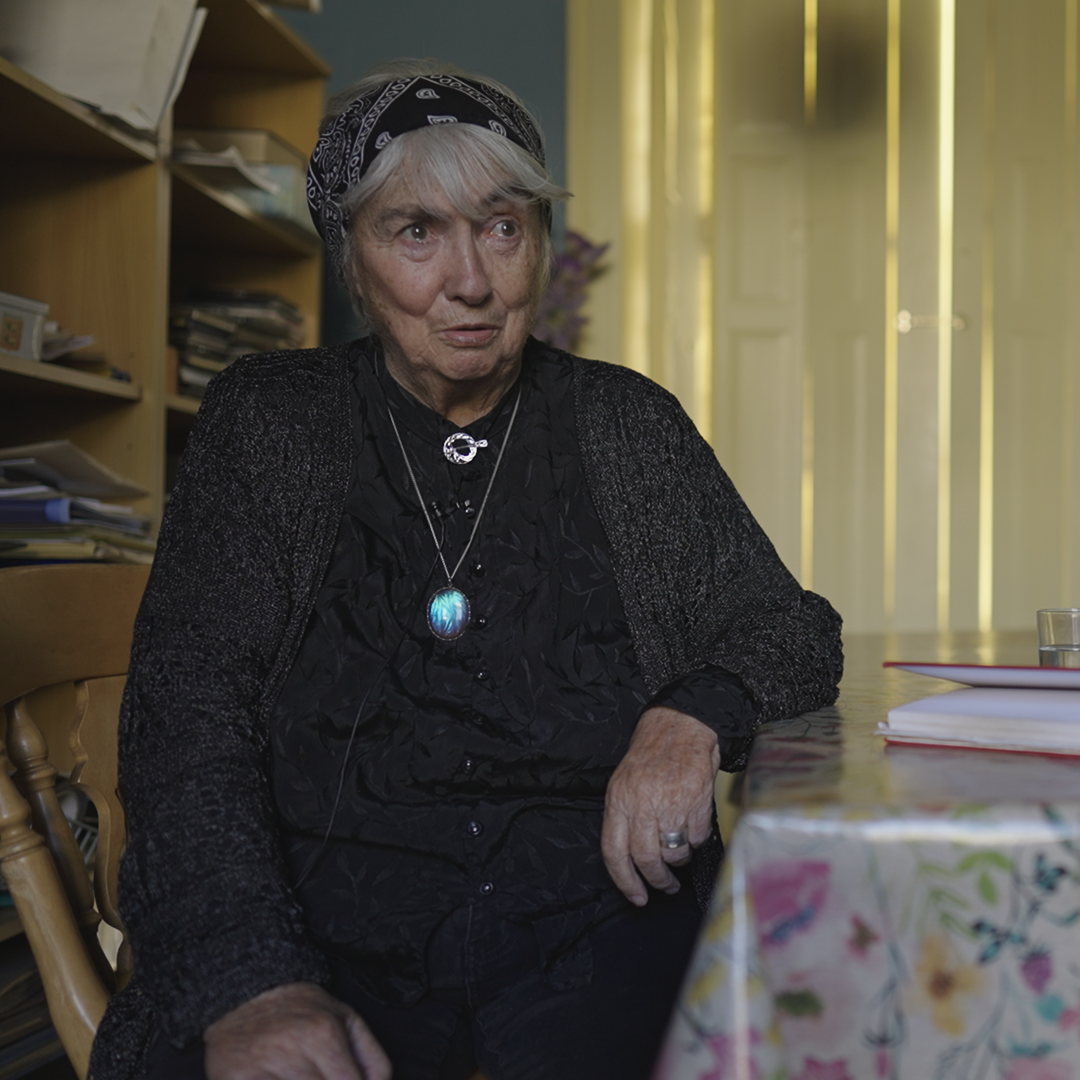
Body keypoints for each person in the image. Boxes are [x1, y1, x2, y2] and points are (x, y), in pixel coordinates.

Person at [89, 59, 843, 1080]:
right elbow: (186, 713)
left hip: (600, 930)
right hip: (326, 930)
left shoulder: (626, 423)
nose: (473, 281)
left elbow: (790, 628)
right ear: (352, 259)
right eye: (415, 232)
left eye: (501, 226)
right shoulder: (273, 423)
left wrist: (691, 715)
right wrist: (251, 979)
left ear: (537, 244)